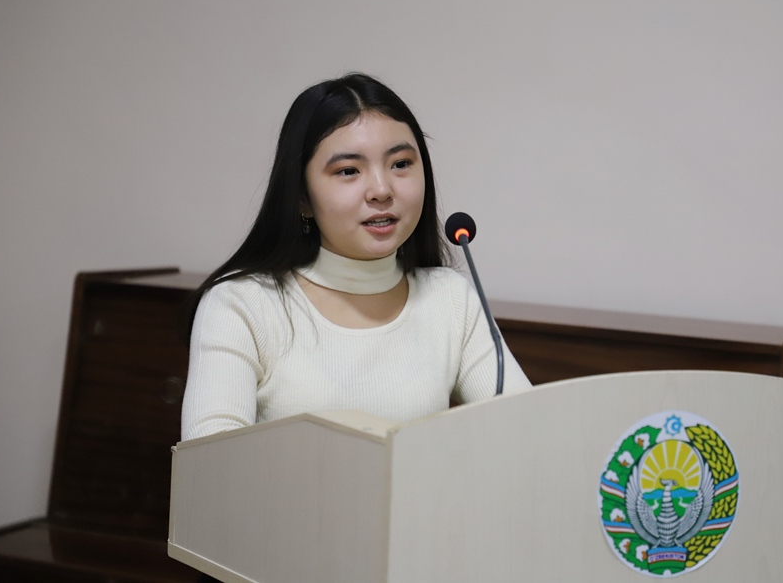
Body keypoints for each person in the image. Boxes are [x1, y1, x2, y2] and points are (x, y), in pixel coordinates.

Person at [181, 73, 531, 441]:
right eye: (348, 171)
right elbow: (209, 466)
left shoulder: (449, 298)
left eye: (400, 164)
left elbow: (527, 431)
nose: (381, 190)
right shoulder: (242, 305)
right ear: (301, 198)